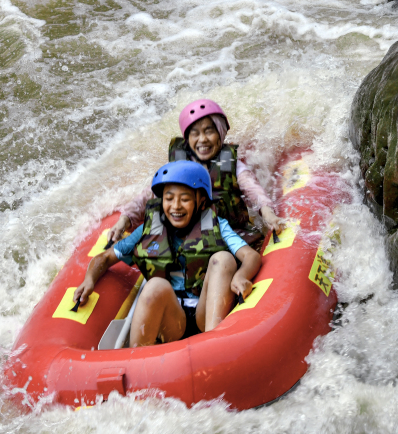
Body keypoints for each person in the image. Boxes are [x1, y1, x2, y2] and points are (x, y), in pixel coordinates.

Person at [74, 161, 262, 346]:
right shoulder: (150, 230)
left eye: (185, 199)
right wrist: (89, 280)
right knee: (155, 285)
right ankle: (139, 359)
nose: (176, 206)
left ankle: (214, 345)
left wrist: (241, 275)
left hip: (205, 314)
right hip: (172, 321)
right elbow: (105, 258)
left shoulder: (217, 225)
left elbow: (251, 256)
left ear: (202, 202)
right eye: (169, 198)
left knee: (223, 258)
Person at [108, 100, 285, 246]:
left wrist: (268, 212)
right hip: (186, 239)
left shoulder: (234, 167)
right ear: (187, 138)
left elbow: (254, 191)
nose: (202, 140)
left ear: (220, 133)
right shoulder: (178, 168)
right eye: (195, 134)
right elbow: (148, 195)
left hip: (226, 237)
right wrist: (124, 220)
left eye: (209, 132)